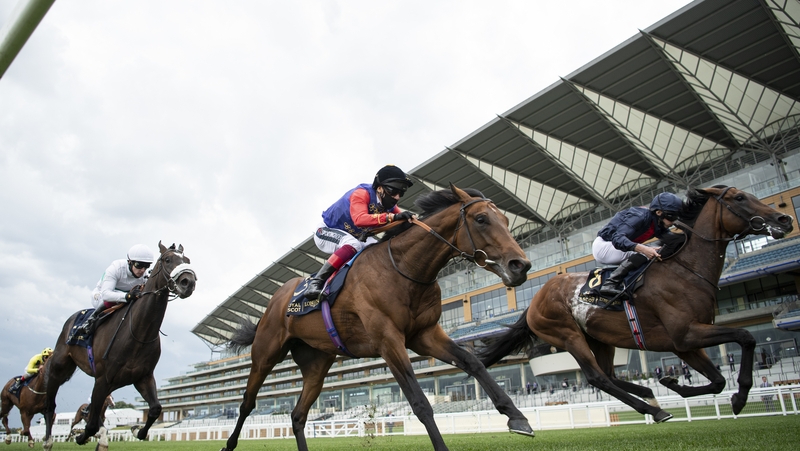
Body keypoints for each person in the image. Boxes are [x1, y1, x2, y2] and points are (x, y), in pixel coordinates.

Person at [304, 165, 415, 300]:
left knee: (381, 249)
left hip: (354, 236)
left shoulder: (388, 203)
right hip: (326, 232)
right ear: (379, 188)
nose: (397, 197)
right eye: (393, 191)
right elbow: (359, 219)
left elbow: (402, 219)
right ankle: (316, 282)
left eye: (401, 193)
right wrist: (390, 217)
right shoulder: (361, 193)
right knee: (353, 244)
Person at [592, 192, 683, 298]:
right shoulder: (640, 216)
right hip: (605, 246)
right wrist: (643, 249)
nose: (674, 222)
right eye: (672, 217)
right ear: (659, 212)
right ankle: (610, 283)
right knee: (648, 252)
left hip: (617, 248)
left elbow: (672, 241)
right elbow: (618, 239)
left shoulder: (658, 224)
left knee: (659, 250)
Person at [74, 244, 154, 336]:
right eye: (139, 265)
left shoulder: (145, 276)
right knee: (111, 300)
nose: (143, 270)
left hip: (125, 299)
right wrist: (127, 296)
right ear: (130, 262)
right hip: (101, 296)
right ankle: (89, 322)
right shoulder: (116, 268)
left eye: (146, 266)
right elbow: (106, 295)